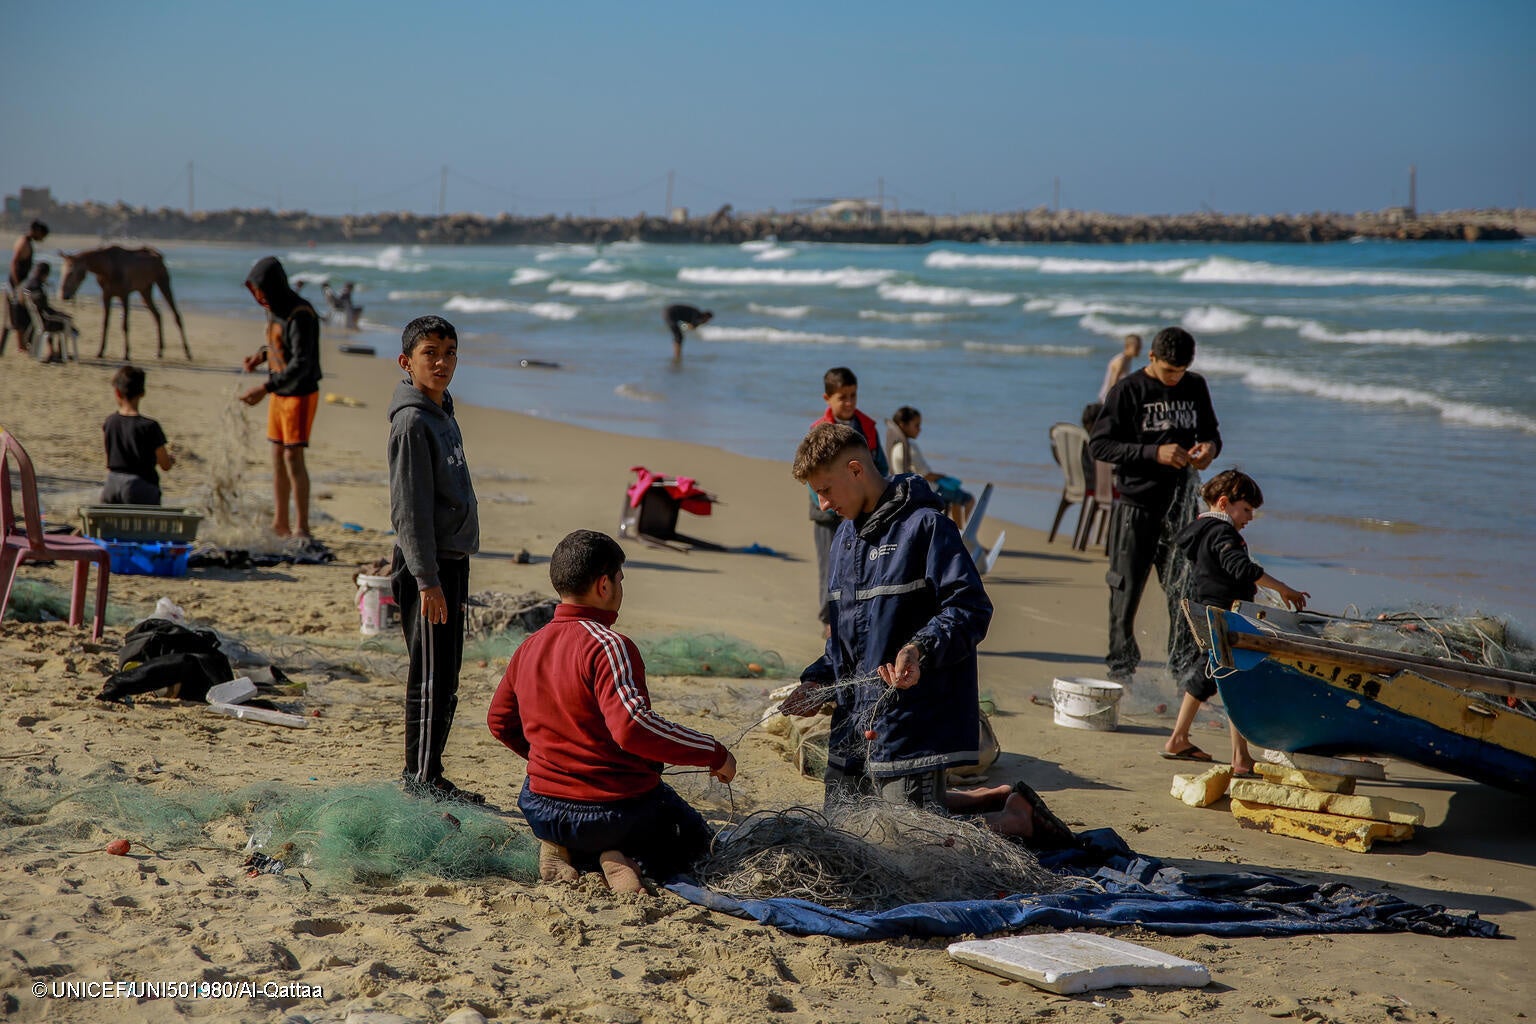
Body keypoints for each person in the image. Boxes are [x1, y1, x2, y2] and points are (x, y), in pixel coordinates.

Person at [487, 529, 737, 892]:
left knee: (591, 815)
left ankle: (563, 846)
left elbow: (499, 722)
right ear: (604, 585)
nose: (621, 589)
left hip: (541, 807)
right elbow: (633, 727)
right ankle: (616, 855)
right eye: (620, 580)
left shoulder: (529, 646)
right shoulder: (609, 645)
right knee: (694, 838)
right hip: (614, 815)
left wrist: (549, 758)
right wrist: (714, 752)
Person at [781, 424, 998, 810]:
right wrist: (816, 681)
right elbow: (843, 646)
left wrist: (919, 650)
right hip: (850, 735)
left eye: (826, 490)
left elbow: (970, 607)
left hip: (909, 734)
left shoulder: (928, 527)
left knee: (907, 852)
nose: (823, 504)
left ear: (855, 469)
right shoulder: (843, 541)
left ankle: (1012, 814)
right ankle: (998, 806)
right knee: (840, 847)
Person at [1089, 326, 1221, 688]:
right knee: (1125, 590)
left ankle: (1183, 674)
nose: (1175, 379)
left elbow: (1212, 433)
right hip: (1136, 506)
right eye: (1168, 372)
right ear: (1151, 358)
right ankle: (1121, 671)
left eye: (1180, 372)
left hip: (1181, 507)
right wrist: (1153, 452)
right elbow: (1099, 445)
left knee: (1185, 591)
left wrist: (1208, 449)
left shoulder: (1195, 386)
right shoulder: (1128, 390)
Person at [388, 315, 481, 805]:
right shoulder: (411, 421)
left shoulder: (443, 411)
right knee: (428, 675)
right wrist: (426, 580)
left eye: (449, 352)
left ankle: (432, 773)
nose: (442, 362)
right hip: (427, 568)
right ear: (407, 362)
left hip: (452, 560)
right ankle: (419, 781)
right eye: (431, 353)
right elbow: (408, 510)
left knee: (447, 674)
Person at [1164, 469, 1309, 773]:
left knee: (1209, 675)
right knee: (1234, 678)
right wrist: (1284, 589)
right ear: (1224, 503)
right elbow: (1240, 567)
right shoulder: (1221, 533)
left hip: (1211, 611)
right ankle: (1238, 757)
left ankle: (1181, 739)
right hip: (1224, 615)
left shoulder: (1202, 531)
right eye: (1246, 509)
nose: (1250, 518)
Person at [239, 257, 323, 537]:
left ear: (272, 286)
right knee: (277, 455)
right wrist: (260, 357)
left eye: (260, 290)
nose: (258, 297)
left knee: (292, 457)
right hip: (279, 390)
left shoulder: (300, 314)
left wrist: (264, 388)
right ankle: (280, 523)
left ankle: (302, 528)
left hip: (299, 393)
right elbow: (278, 345)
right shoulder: (273, 309)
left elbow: (302, 363)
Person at [808, 367, 889, 630]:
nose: (849, 402)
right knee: (831, 567)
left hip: (862, 512)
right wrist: (831, 505)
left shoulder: (867, 428)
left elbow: (881, 468)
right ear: (827, 399)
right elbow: (812, 480)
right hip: (828, 516)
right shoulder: (819, 432)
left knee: (861, 565)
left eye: (853, 396)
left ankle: (856, 617)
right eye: (842, 397)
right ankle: (829, 621)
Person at [887, 406, 974, 527]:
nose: (920, 429)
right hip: (928, 489)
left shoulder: (896, 444)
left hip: (906, 488)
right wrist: (942, 476)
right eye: (916, 425)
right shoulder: (910, 447)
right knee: (968, 499)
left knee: (955, 498)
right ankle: (963, 531)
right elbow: (927, 475)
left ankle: (958, 529)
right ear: (903, 425)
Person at [100, 365, 175, 505]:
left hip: (112, 484)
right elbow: (165, 465)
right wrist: (169, 460)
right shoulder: (150, 426)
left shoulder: (110, 422)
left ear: (117, 392)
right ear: (142, 393)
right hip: (140, 487)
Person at [2, 220, 48, 356]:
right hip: (17, 283)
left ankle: (22, 345)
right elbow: (15, 263)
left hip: (20, 283)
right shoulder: (24, 243)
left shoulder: (26, 242)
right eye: (42, 235)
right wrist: (18, 286)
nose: (42, 239)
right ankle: (21, 346)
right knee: (18, 314)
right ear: (37, 231)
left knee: (21, 314)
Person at [18, 262, 77, 363]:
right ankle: (60, 353)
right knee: (65, 322)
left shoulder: (30, 284)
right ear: (45, 274)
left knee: (62, 319)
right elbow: (44, 308)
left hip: (38, 320)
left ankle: (56, 352)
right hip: (45, 319)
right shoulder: (37, 287)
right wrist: (60, 314)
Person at [1098, 333, 1142, 402]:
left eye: (1140, 347)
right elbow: (1113, 382)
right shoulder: (1121, 360)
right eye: (1137, 347)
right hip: (1107, 398)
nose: (1139, 350)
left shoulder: (1127, 359)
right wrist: (1112, 400)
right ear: (1128, 346)